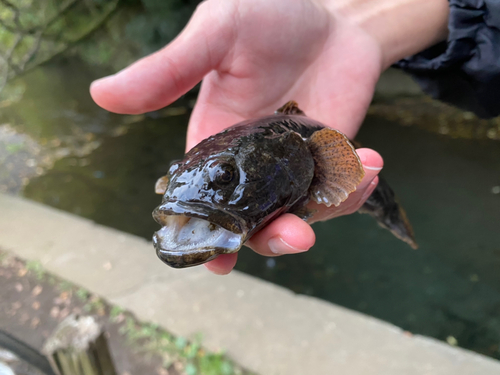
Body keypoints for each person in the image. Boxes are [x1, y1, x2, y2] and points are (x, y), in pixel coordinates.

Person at [90, 0, 498, 274]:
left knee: (371, 187)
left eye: (223, 176)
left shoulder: (306, 149)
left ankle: (390, 215)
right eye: (178, 175)